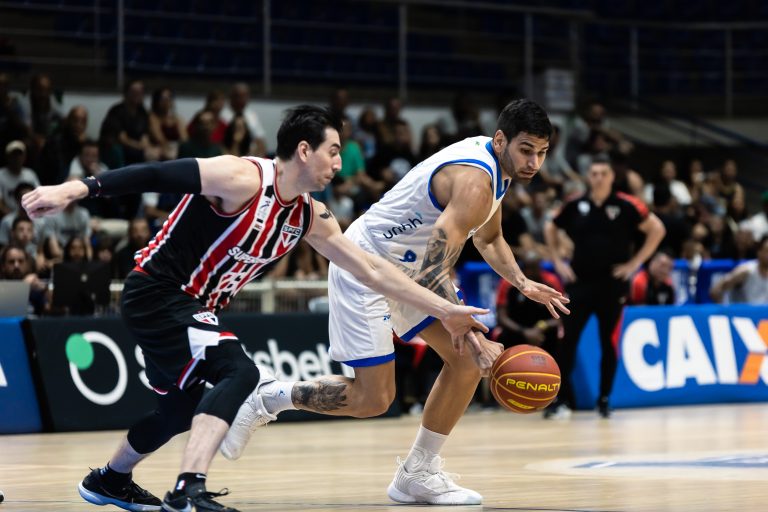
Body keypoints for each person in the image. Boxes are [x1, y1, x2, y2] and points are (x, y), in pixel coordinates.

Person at [22, 105, 488, 512]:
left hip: (191, 305)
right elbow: (157, 174)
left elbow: (372, 270)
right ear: (303, 150)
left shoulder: (309, 214)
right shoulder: (241, 178)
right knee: (239, 371)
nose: (339, 163)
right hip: (158, 292)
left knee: (181, 410)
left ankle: (110, 478)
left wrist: (443, 309)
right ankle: (188, 490)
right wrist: (75, 189)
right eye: (333, 151)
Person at [222, 99, 570, 506]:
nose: (534, 162)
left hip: (412, 270)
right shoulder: (475, 181)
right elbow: (436, 269)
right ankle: (269, 396)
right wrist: (472, 334)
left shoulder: (499, 173)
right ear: (500, 140)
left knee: (464, 363)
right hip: (365, 263)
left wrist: (523, 282)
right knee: (374, 399)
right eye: (526, 150)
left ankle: (417, 473)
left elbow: (489, 238)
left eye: (542, 153)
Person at [543, 156, 665, 419]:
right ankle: (560, 400)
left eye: (603, 173)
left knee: (608, 342)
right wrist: (557, 261)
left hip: (612, 284)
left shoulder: (627, 204)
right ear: (588, 176)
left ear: (612, 177)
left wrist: (635, 263)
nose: (598, 178)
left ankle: (604, 399)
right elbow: (550, 226)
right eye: (594, 173)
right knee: (567, 341)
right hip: (579, 283)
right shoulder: (575, 204)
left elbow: (657, 229)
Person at [710, 235, 768, 304]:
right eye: (767, 251)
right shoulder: (746, 271)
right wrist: (723, 308)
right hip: (744, 310)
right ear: (759, 252)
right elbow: (716, 290)